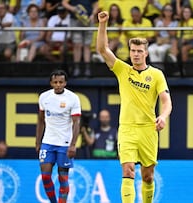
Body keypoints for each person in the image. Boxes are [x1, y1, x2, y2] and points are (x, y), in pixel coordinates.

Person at [96, 11, 172, 203]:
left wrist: (162, 116)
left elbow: (166, 101)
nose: (136, 54)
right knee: (128, 169)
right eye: (133, 51)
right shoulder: (123, 70)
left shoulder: (156, 75)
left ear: (146, 53)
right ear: (129, 52)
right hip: (127, 129)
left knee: (148, 175)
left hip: (148, 129)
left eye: (140, 51)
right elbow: (103, 49)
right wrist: (103, 23)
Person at [35, 69, 81, 203]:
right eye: (55, 82)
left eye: (61, 82)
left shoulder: (72, 98)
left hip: (64, 143)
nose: (58, 85)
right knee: (45, 176)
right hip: (48, 141)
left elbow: (76, 122)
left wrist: (73, 145)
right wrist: (38, 142)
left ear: (65, 83)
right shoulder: (44, 97)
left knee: (63, 178)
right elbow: (40, 120)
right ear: (51, 83)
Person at [62, 0, 99, 77]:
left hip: (88, 19)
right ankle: (76, 68)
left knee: (87, 45)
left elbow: (96, 5)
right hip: (75, 20)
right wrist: (73, 8)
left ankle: (87, 69)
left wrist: (93, 14)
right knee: (77, 45)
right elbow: (64, 3)